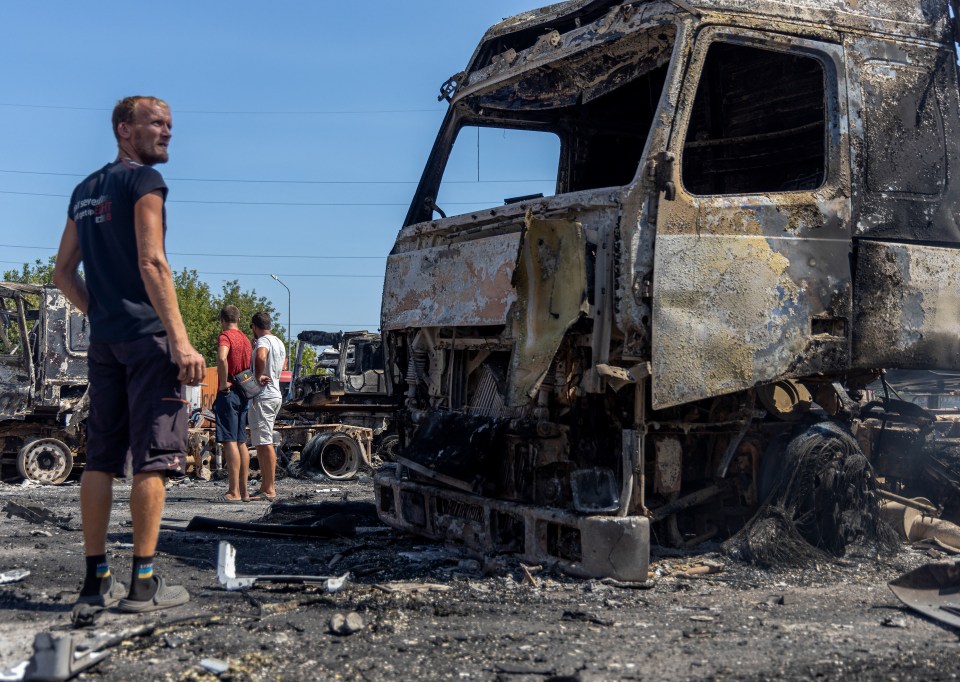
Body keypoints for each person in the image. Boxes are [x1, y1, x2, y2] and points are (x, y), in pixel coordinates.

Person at [53, 95, 204, 614]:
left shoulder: (84, 191)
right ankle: (143, 583)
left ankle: (96, 581)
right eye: (156, 123)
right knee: (153, 458)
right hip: (147, 340)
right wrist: (180, 341)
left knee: (99, 458)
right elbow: (152, 261)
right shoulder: (144, 182)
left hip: (106, 342)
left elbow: (61, 273)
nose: (166, 132)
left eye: (170, 124)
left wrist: (101, 314)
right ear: (124, 129)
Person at [214, 305, 253, 502]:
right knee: (241, 442)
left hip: (229, 393)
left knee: (229, 441)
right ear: (238, 319)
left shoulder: (225, 337)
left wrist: (222, 384)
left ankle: (233, 491)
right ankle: (245, 492)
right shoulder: (246, 339)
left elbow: (222, 357)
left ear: (222, 319)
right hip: (244, 392)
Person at [249, 311, 286, 501]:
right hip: (275, 393)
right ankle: (266, 486)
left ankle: (269, 489)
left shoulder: (263, 342)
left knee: (264, 443)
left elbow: (261, 356)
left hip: (263, 395)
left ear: (255, 327)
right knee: (263, 442)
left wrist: (258, 376)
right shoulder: (279, 342)